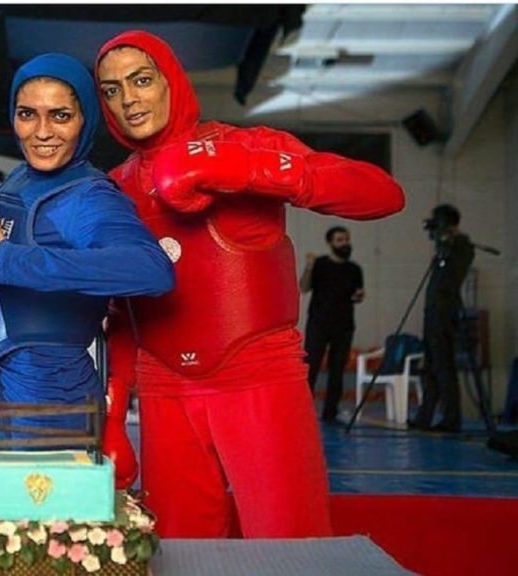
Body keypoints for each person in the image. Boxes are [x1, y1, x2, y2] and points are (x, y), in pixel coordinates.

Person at [94, 30, 405, 538]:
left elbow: (384, 195)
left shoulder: (243, 146)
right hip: (163, 386)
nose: (128, 99)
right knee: (179, 552)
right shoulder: (112, 188)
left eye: (141, 80)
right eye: (111, 89)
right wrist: (111, 414)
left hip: (259, 374)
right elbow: (122, 311)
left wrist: (247, 168)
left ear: (170, 81)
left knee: (293, 547)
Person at [0, 53, 173, 436]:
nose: (41, 132)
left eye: (60, 116)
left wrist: (5, 259)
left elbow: (151, 269)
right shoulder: (23, 177)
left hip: (50, 393)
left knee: (39, 496)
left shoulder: (89, 196)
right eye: (27, 114)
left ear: (85, 118)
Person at [409, 204, 474, 433]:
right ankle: (424, 416)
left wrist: (446, 243)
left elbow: (450, 277)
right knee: (431, 367)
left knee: (443, 366)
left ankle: (451, 418)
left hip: (445, 313)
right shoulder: (443, 247)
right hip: (433, 312)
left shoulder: (461, 246)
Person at [300, 226, 365, 424]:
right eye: (339, 240)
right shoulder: (320, 264)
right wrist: (309, 267)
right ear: (331, 243)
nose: (344, 243)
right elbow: (304, 288)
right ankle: (303, 411)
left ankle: (331, 412)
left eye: (346, 239)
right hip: (319, 323)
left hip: (344, 325)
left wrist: (359, 296)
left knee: (337, 370)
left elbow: (357, 294)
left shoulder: (354, 269)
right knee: (310, 368)